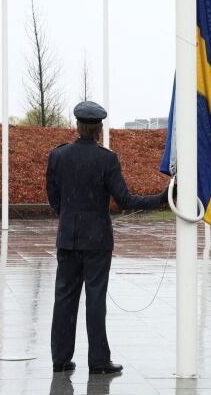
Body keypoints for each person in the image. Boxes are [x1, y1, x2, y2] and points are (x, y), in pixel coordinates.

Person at [46, 101, 169, 374]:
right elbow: (124, 200)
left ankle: (61, 359)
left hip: (67, 239)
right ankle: (99, 361)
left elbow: (54, 199)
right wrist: (160, 199)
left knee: (64, 298)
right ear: (99, 129)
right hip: (97, 241)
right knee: (95, 299)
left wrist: (69, 217)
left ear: (77, 126)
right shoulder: (106, 159)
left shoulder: (58, 156)